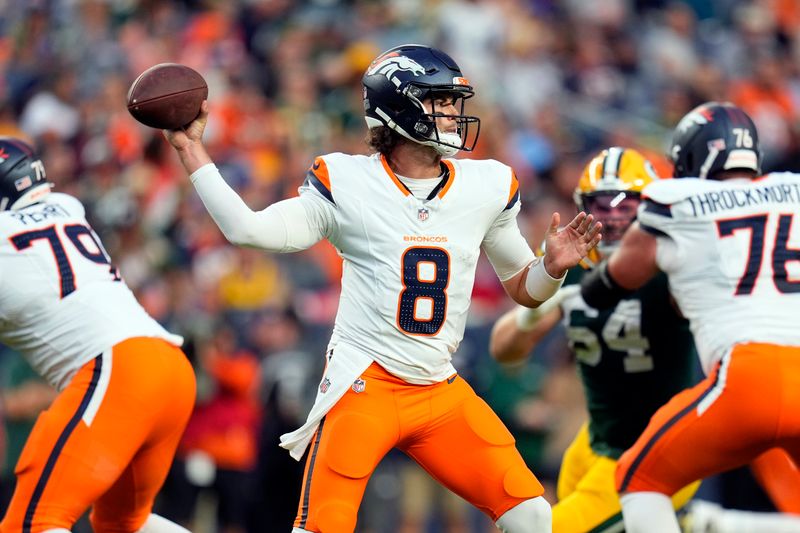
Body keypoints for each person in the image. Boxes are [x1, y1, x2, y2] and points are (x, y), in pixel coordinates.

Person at [164, 44, 602, 533]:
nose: (454, 114)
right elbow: (249, 229)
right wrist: (191, 150)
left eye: (454, 102)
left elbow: (526, 289)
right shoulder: (347, 181)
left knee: (533, 515)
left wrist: (553, 266)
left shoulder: (487, 185)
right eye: (439, 101)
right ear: (399, 107)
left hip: (438, 387)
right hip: (363, 384)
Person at [580, 102, 800, 533]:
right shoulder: (793, 187)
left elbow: (612, 283)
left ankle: (709, 522)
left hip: (746, 375)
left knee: (639, 479)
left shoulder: (677, 199)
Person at [490, 147, 701, 533]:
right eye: (601, 205)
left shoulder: (671, 260)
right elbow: (504, 351)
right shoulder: (574, 259)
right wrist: (534, 312)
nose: (614, 217)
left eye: (626, 203)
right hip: (596, 441)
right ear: (581, 207)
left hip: (659, 446)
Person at [0, 137, 196, 533]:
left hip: (118, 371)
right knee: (121, 524)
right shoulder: (68, 209)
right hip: (169, 367)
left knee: (33, 522)